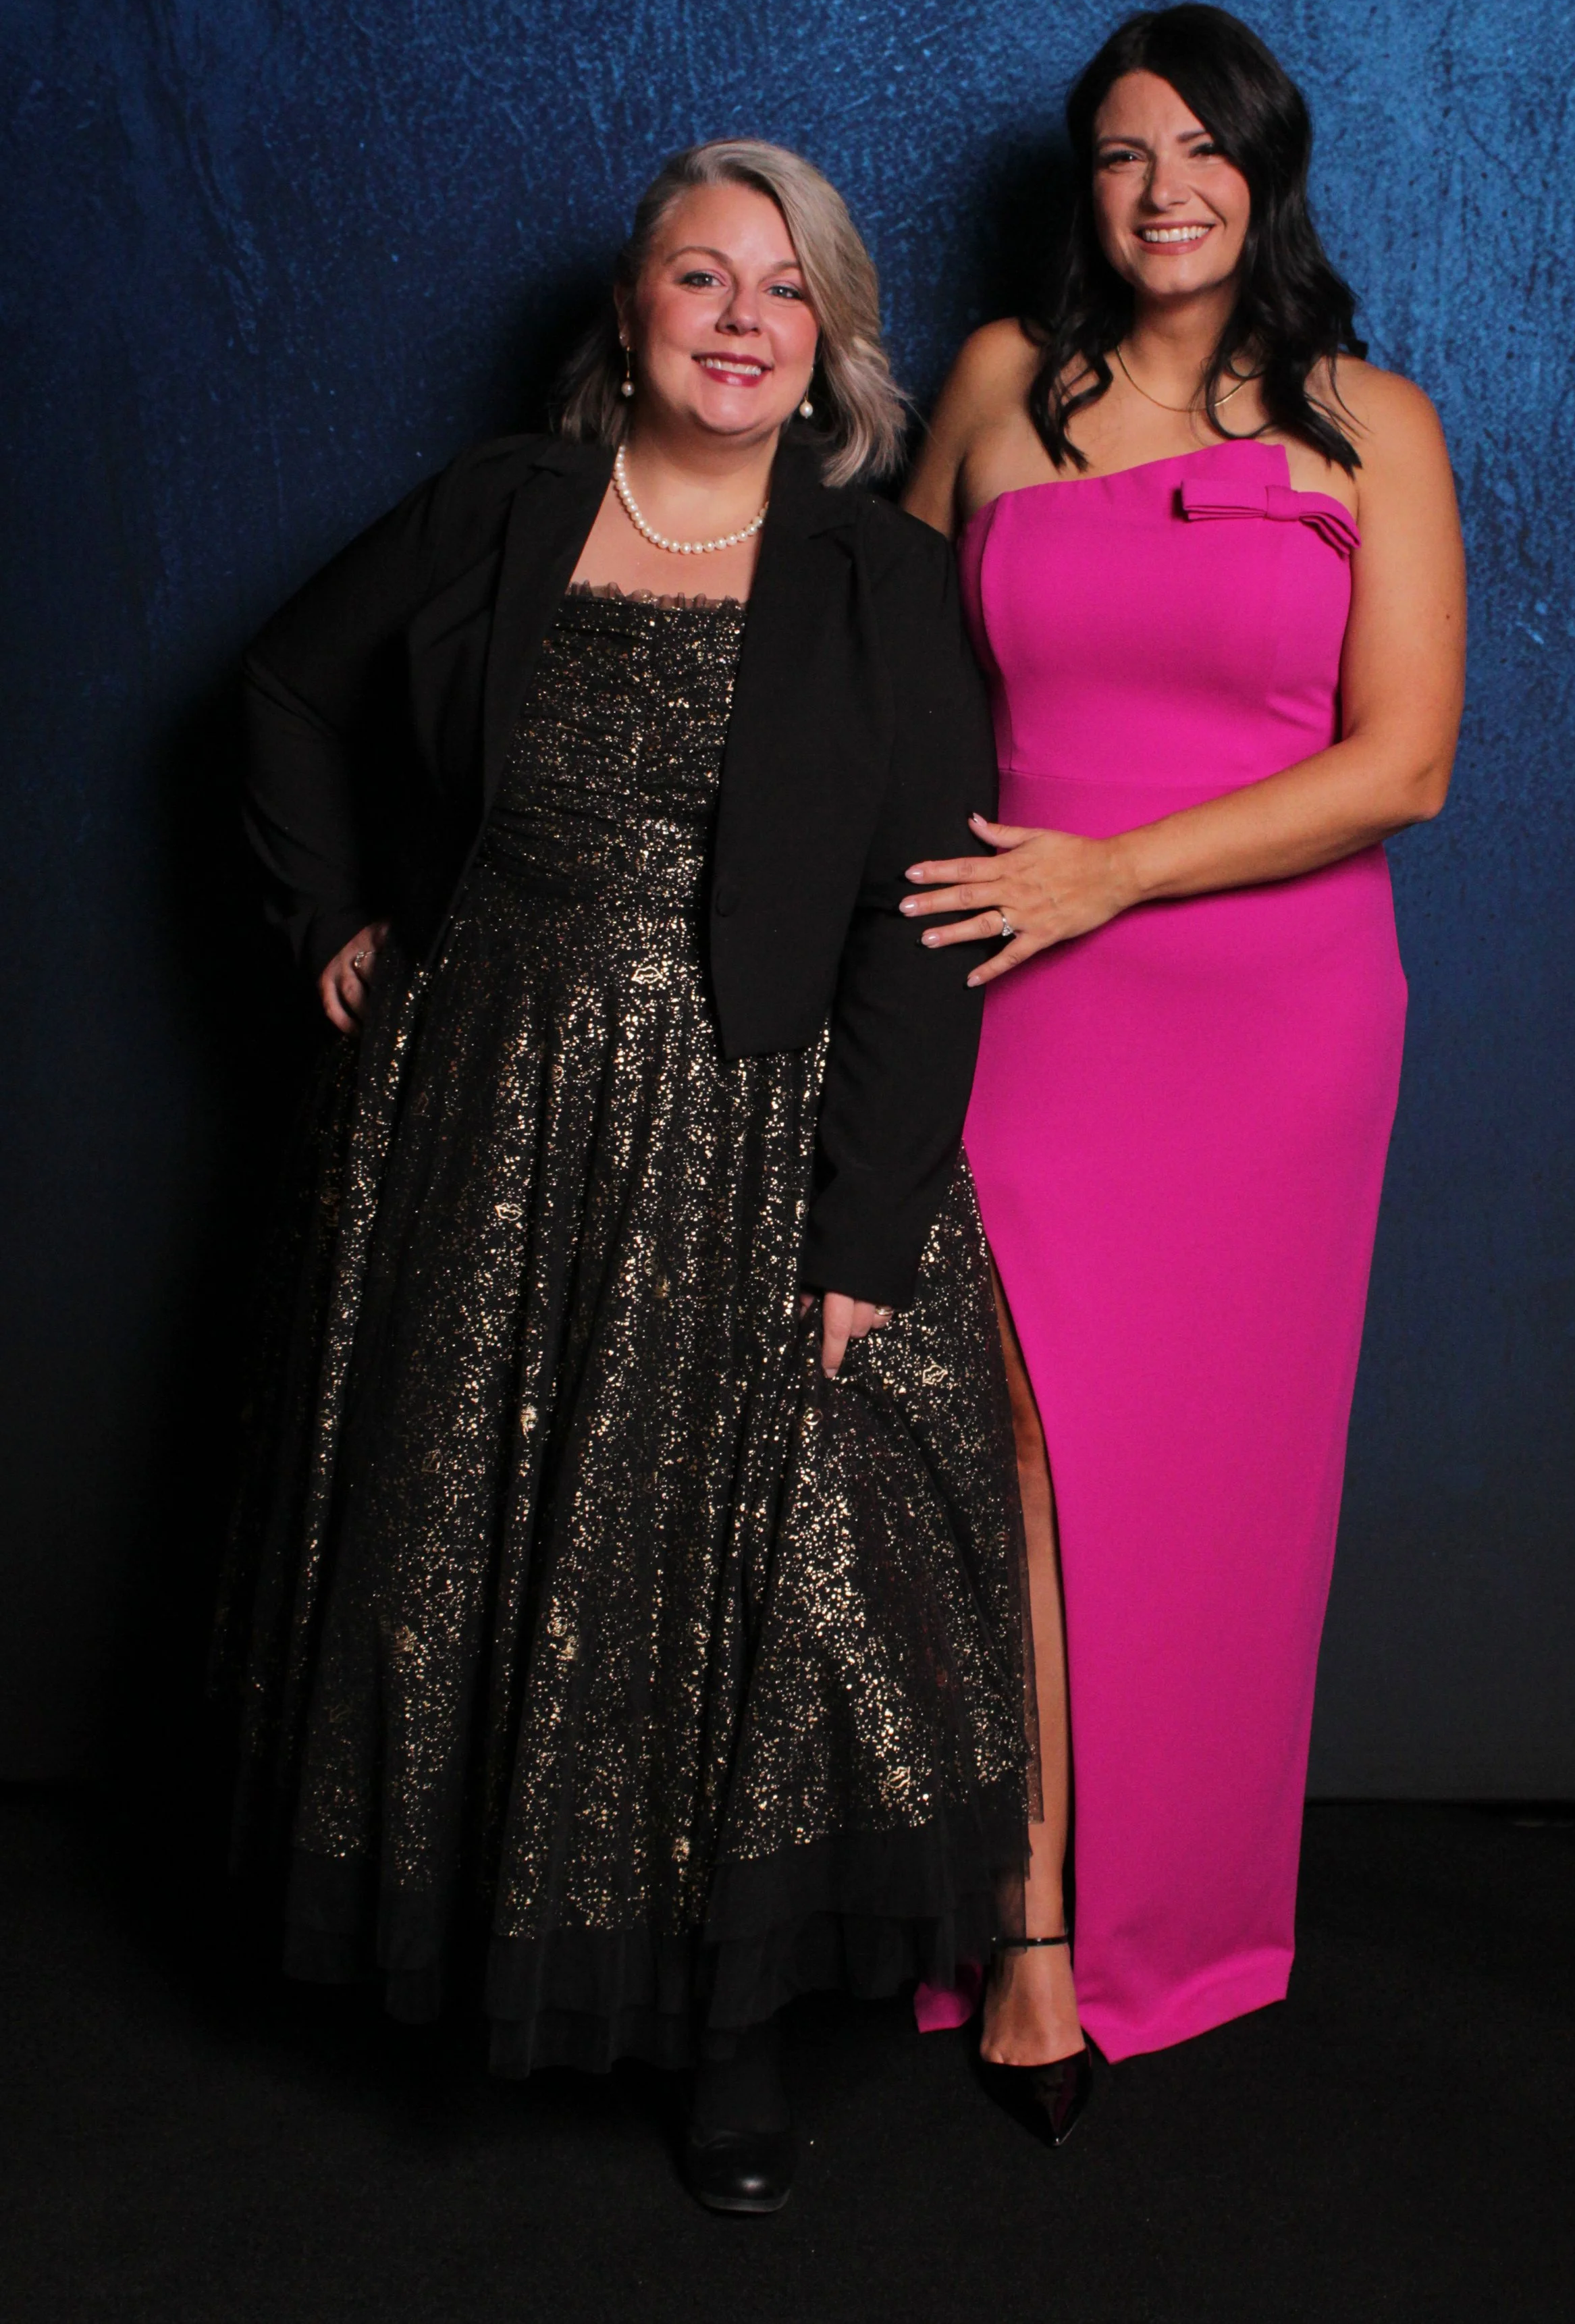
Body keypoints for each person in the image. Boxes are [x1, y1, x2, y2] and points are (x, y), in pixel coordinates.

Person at [215, 140, 1031, 2217]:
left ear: (833, 342)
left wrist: (864, 1233)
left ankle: (727, 2040)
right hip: (482, 1102)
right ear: (634, 316)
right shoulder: (504, 505)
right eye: (701, 276)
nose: (742, 317)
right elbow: (289, 688)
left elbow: (919, 925)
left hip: (752, 1127)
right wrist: (333, 911)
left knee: (730, 1589)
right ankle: (499, 1963)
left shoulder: (878, 581)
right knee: (479, 1556)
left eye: (786, 289)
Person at [901, 5, 1465, 2119]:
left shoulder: (1365, 428)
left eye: (1201, 149)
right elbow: (853, 664)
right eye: (1124, 152)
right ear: (1088, 183)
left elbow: (1400, 762)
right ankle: (1026, 1919)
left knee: (1210, 1479)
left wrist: (1110, 872)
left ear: (1264, 174)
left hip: (1264, 1005)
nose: (1163, 189)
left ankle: (1184, 1920)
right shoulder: (987, 389)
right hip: (1010, 974)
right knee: (1017, 1441)